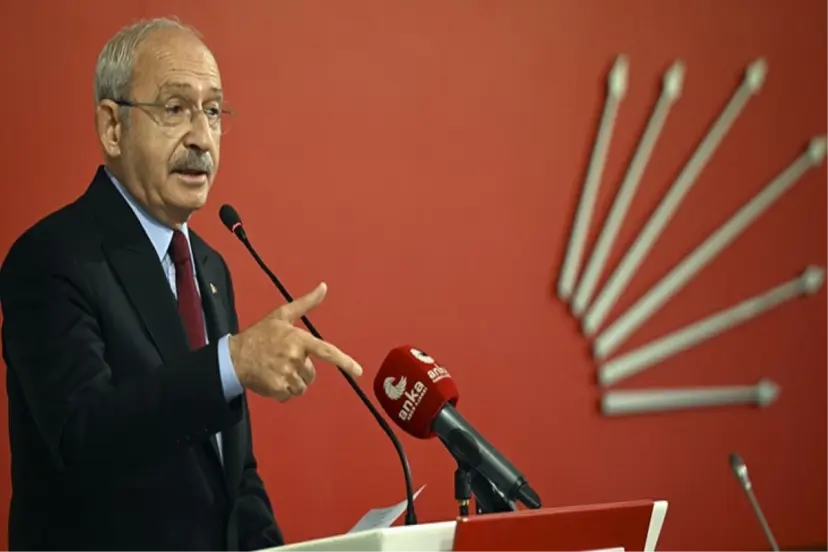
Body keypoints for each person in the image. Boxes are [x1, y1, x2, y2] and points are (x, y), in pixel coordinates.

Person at [0, 17, 363, 552]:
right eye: (175, 109)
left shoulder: (209, 268)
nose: (201, 137)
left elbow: (232, 475)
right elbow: (85, 436)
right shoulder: (53, 258)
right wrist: (231, 363)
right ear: (113, 127)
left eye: (212, 111)